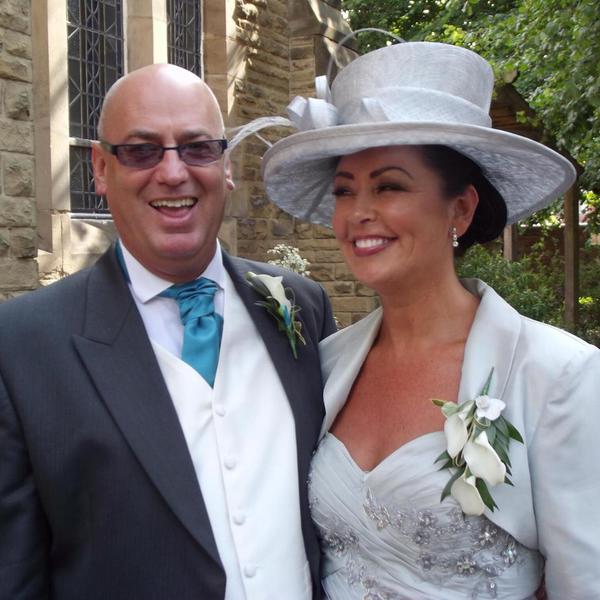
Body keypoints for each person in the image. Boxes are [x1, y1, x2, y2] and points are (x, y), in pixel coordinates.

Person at [260, 42, 600, 598]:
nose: (358, 213)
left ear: (460, 208)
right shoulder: (326, 365)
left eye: (389, 186)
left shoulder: (556, 374)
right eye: (345, 191)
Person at [0, 64, 336, 599]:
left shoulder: (303, 305)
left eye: (198, 148)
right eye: (142, 151)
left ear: (226, 165)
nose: (174, 173)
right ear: (101, 168)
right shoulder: (21, 347)